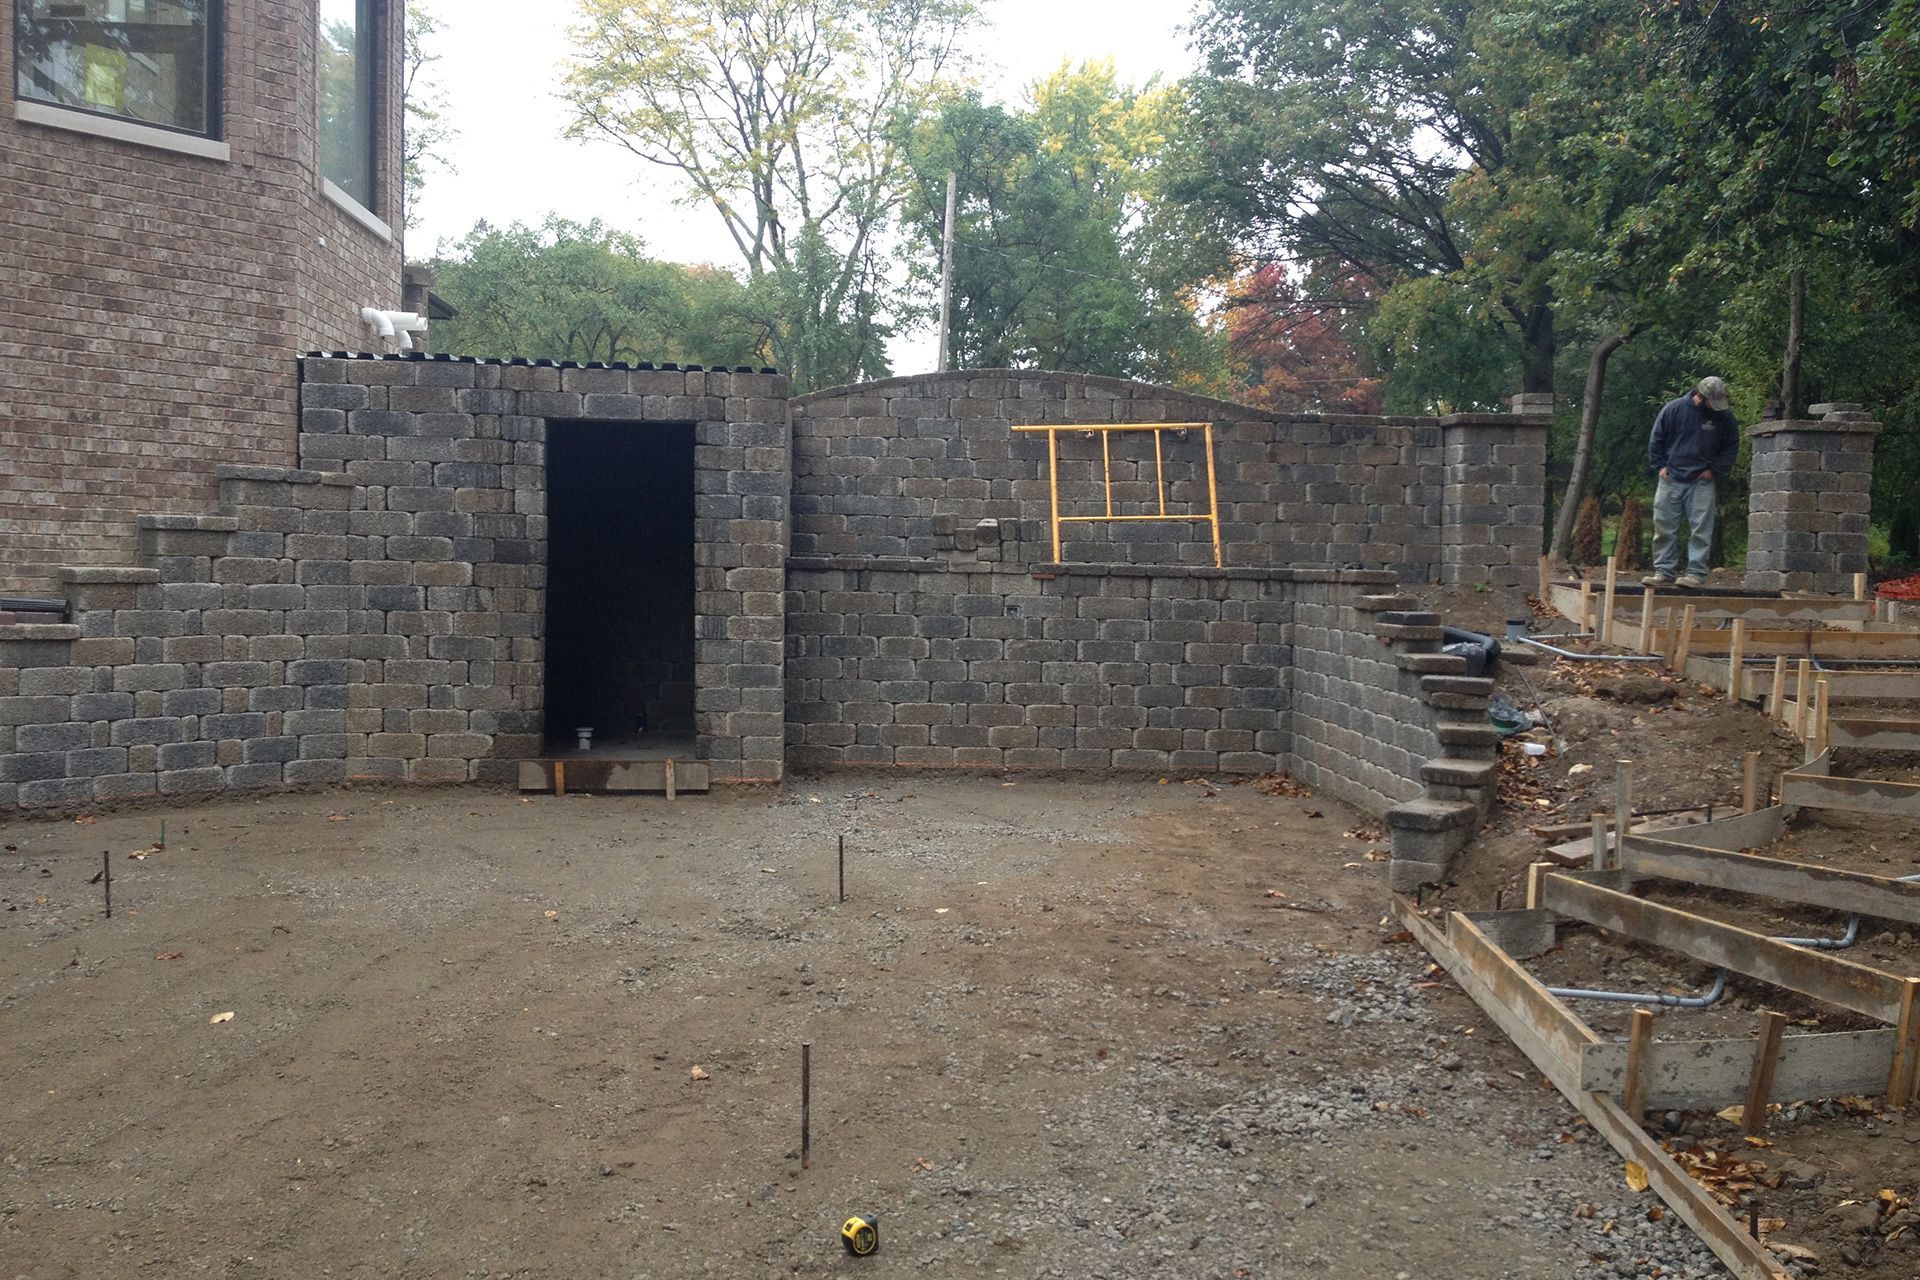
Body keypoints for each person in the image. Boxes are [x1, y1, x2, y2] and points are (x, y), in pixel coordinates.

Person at [1644, 376, 1738, 589]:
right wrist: (1660, 466)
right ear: (1700, 396)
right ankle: (1663, 572)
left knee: (1701, 530)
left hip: (1702, 482)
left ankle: (1695, 574)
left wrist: (1714, 470)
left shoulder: (1724, 417)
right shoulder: (1673, 409)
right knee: (1664, 527)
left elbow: (1731, 446)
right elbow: (1656, 439)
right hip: (1671, 478)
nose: (1716, 407)